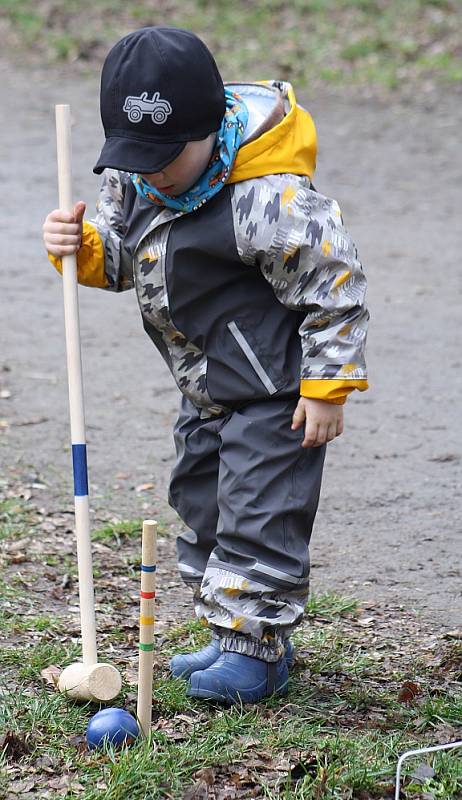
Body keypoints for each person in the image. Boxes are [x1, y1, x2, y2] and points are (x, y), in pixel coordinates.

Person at [43, 26, 369, 704]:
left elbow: (332, 282)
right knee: (202, 502)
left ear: (213, 128)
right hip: (206, 387)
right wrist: (83, 247)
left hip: (277, 394)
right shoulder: (137, 182)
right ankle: (231, 633)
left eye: (169, 154)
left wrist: (329, 386)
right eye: (137, 156)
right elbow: (124, 261)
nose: (154, 171)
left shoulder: (268, 196)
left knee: (258, 512)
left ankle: (256, 651)